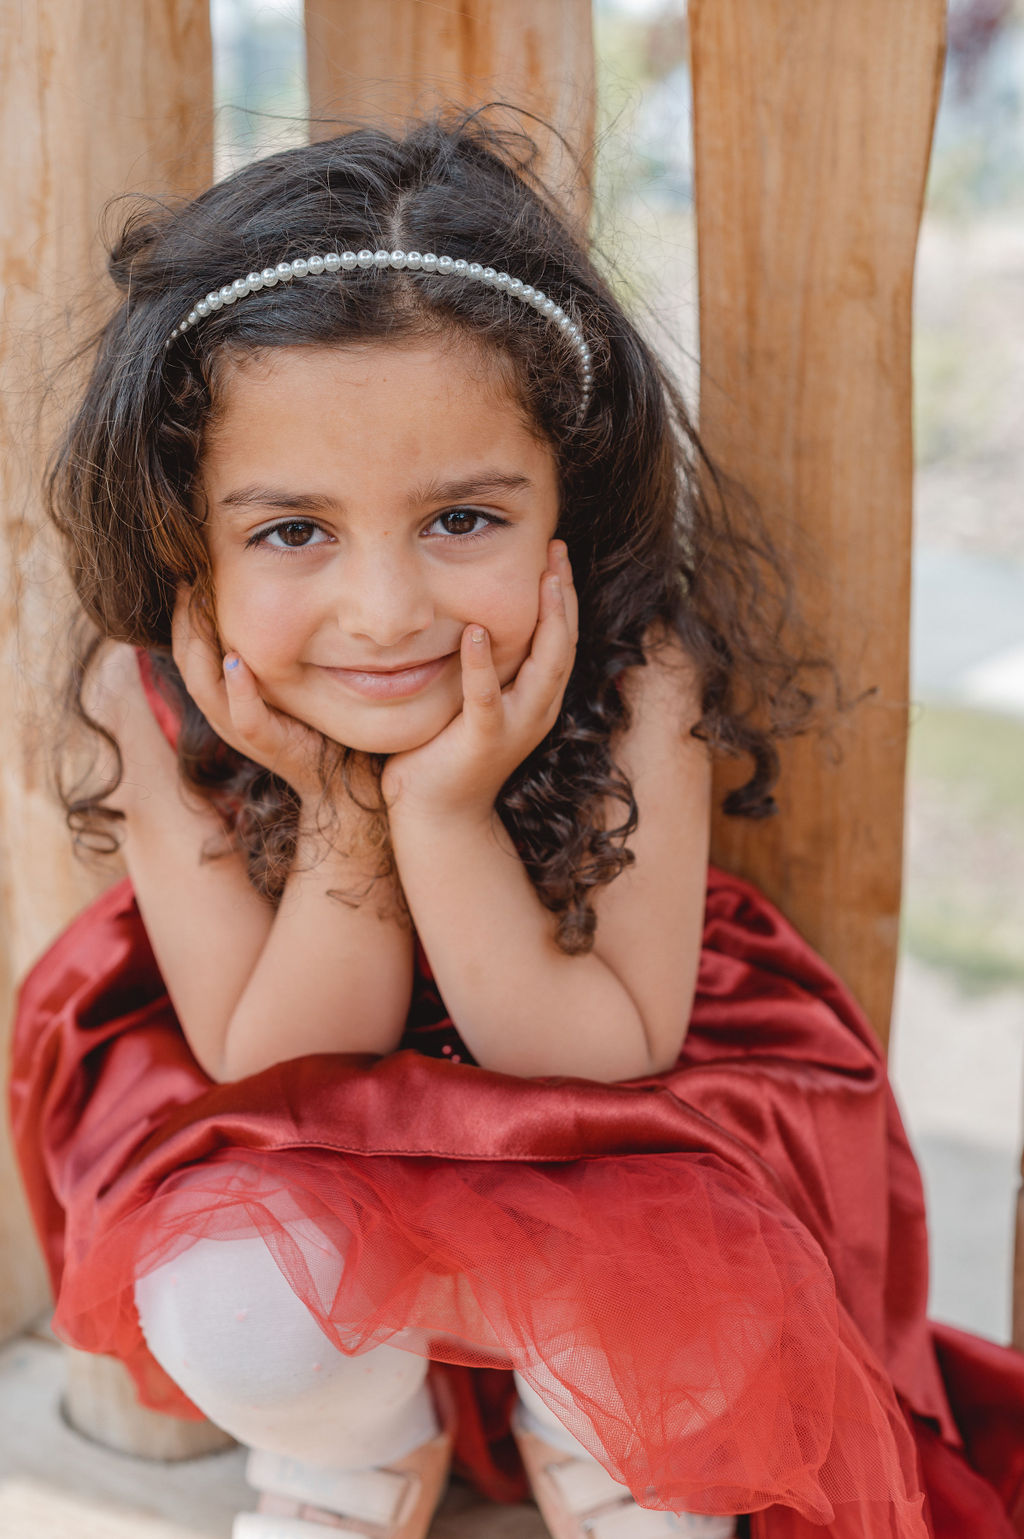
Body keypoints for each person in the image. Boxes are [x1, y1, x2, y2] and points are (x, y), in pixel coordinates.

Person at [8, 110, 1024, 1539]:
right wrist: (344, 823)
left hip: (603, 1123)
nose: (387, 613)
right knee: (219, 1290)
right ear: (188, 534)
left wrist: (443, 809)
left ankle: (619, 1448)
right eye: (292, 531)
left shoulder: (636, 679)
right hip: (298, 1116)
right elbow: (281, 1070)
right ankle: (353, 1451)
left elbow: (597, 1062)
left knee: (695, 1280)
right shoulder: (149, 697)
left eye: (462, 521)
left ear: (569, 493)